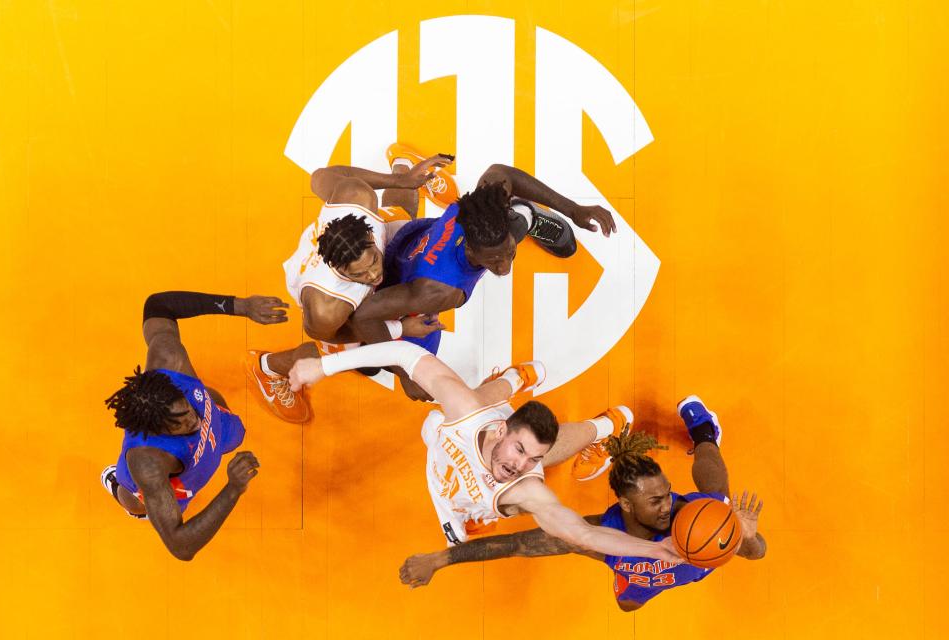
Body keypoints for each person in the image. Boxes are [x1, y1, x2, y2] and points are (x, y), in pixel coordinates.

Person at [288, 340, 680, 561]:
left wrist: (655, 550)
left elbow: (583, 533)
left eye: (532, 459)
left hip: (465, 499)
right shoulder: (469, 413)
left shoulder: (525, 488)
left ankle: (605, 427)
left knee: (554, 448)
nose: (521, 466)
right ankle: (513, 381)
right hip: (451, 438)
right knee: (461, 401)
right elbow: (403, 354)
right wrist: (324, 366)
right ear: (501, 429)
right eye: (520, 450)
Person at [398, 396, 767, 611]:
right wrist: (440, 559)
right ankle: (606, 430)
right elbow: (518, 545)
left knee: (719, 493)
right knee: (627, 605)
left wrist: (745, 536)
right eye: (654, 501)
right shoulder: (601, 534)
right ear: (624, 504)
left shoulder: (698, 519)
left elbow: (758, 552)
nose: (667, 505)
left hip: (701, 548)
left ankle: (705, 434)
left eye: (666, 493)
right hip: (634, 574)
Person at [347, 151, 620, 363]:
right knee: (378, 359)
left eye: (509, 254)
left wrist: (573, 210)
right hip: (398, 261)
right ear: (468, 247)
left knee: (514, 223)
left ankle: (527, 214)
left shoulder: (479, 215)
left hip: (419, 236)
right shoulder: (437, 291)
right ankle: (407, 170)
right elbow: (363, 317)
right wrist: (403, 372)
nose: (505, 269)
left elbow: (500, 173)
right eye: (494, 262)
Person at [245, 149, 452, 421]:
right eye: (361, 275)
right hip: (336, 320)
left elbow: (322, 176)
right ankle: (266, 368)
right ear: (341, 270)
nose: (374, 275)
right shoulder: (327, 307)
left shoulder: (356, 199)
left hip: (353, 249)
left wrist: (400, 182)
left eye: (374, 262)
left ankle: (401, 165)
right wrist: (400, 339)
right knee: (333, 356)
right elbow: (334, 334)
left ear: (369, 234)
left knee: (403, 222)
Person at [100, 290, 288, 560]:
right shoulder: (148, 463)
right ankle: (116, 485)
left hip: (219, 431)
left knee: (226, 421)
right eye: (182, 424)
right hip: (173, 483)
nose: (196, 420)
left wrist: (241, 306)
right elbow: (181, 546)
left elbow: (158, 304)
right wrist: (233, 488)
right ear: (158, 432)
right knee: (138, 503)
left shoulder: (169, 359)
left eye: (187, 409)